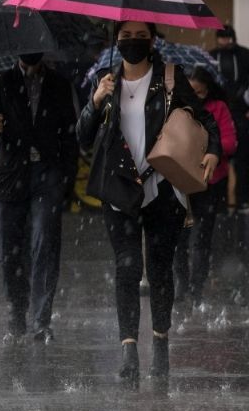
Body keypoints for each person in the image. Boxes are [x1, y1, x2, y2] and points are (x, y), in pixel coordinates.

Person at [76, 21, 221, 382]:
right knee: (126, 268)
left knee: (159, 269)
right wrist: (95, 102)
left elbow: (205, 120)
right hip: (120, 190)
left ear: (152, 40)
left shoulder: (170, 78)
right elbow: (82, 137)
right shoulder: (106, 83)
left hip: (162, 189)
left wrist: (214, 152)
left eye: (140, 37)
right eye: (125, 37)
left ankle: (160, 341)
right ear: (116, 41)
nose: (133, 43)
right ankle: (128, 352)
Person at [0, 53, 79, 343]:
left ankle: (41, 320)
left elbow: (69, 137)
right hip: (10, 176)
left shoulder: (60, 85)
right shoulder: (0, 84)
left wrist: (65, 182)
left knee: (45, 243)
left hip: (47, 175)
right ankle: (16, 313)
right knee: (9, 248)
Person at [173, 66, 237, 312]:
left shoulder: (219, 108)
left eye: (199, 92)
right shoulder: (178, 108)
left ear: (208, 90)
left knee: (201, 238)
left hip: (211, 181)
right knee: (180, 238)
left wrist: (209, 147)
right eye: (191, 91)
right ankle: (182, 283)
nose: (195, 96)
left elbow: (230, 143)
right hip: (183, 180)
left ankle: (197, 286)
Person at [211, 26, 249, 213]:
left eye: (227, 38)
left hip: (241, 111)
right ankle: (221, 200)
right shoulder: (212, 56)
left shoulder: (244, 55)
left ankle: (242, 199)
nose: (225, 42)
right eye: (222, 38)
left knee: (242, 156)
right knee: (219, 154)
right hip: (220, 109)